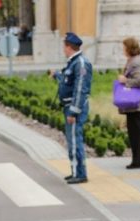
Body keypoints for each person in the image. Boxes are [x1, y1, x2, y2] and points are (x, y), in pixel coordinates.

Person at [50, 32, 92, 184]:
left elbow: (80, 89)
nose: (63, 50)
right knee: (72, 140)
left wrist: (73, 111)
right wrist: (56, 75)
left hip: (74, 108)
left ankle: (80, 174)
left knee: (75, 140)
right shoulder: (73, 62)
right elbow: (67, 80)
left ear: (69, 47)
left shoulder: (80, 63)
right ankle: (75, 171)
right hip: (69, 106)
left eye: (64, 46)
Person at [117, 37, 140, 169]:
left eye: (124, 47)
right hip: (138, 102)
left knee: (135, 132)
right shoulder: (135, 60)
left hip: (136, 103)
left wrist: (125, 81)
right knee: (139, 130)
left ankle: (139, 161)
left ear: (129, 48)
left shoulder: (135, 62)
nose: (123, 49)